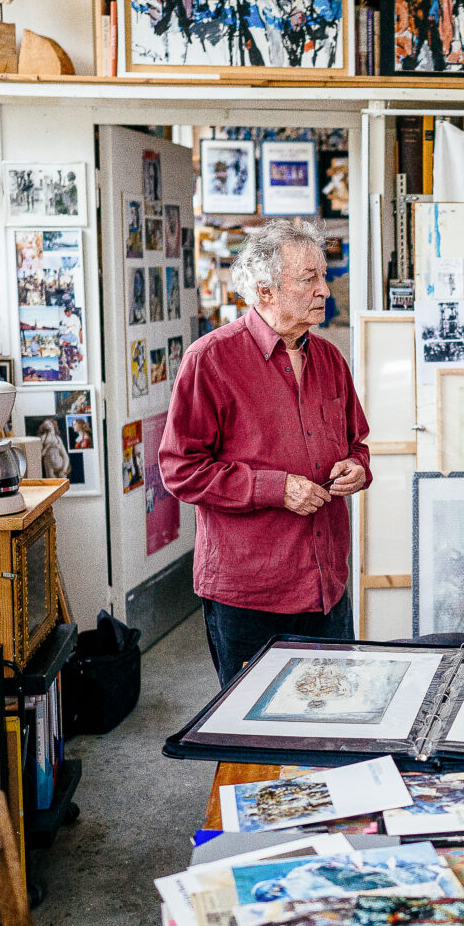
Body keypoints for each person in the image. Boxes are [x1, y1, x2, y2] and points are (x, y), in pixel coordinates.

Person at [160, 219, 370, 683]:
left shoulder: (330, 359)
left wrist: (358, 468)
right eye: (309, 278)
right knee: (255, 736)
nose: (324, 288)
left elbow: (358, 444)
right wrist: (276, 488)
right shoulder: (209, 359)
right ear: (265, 291)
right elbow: (180, 470)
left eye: (323, 274)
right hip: (250, 595)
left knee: (332, 721)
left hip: (326, 588)